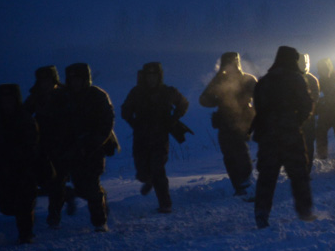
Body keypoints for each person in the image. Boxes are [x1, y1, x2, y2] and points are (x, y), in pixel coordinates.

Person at [251, 46, 315, 227]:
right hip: (290, 134)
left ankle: (261, 215)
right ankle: (305, 212)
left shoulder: (264, 81)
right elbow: (306, 106)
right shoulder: (296, 79)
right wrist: (295, 121)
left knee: (266, 177)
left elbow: (258, 107)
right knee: (298, 174)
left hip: (267, 135)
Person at [0, 84, 43, 243]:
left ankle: (26, 235)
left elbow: (30, 146)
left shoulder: (25, 118)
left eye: (10, 98)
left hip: (25, 167)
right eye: (4, 99)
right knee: (6, 205)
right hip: (6, 169)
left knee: (23, 202)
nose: (7, 102)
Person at [121, 62, 190, 213]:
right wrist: (134, 123)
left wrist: (174, 118)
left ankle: (165, 204)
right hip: (141, 138)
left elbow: (183, 103)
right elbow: (125, 110)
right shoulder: (137, 92)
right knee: (142, 172)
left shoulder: (168, 92)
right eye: (149, 75)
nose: (151, 79)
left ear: (159, 76)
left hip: (160, 136)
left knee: (158, 169)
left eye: (154, 75)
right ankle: (149, 179)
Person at [59, 63, 116, 232]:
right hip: (73, 150)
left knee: (91, 185)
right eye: (72, 79)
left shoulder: (97, 96)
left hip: (94, 148)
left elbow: (107, 121)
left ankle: (99, 222)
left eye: (79, 79)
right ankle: (100, 199)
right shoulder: (65, 98)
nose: (75, 83)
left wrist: (95, 141)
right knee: (81, 187)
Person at [199, 52, 257, 197]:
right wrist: (218, 96)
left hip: (242, 122)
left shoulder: (247, 79)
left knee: (241, 153)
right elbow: (204, 100)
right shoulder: (220, 80)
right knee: (229, 156)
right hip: (225, 122)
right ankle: (239, 186)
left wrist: (254, 115)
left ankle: (246, 183)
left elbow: (259, 98)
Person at [23, 65, 73, 228]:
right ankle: (65, 196)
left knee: (58, 180)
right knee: (44, 180)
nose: (45, 83)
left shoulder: (66, 95)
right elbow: (23, 115)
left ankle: (54, 213)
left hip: (62, 144)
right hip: (42, 145)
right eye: (42, 80)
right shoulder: (35, 97)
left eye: (48, 80)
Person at [298, 53, 319, 174]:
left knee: (308, 145)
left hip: (307, 118)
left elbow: (314, 99)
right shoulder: (291, 79)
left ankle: (306, 170)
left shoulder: (311, 79)